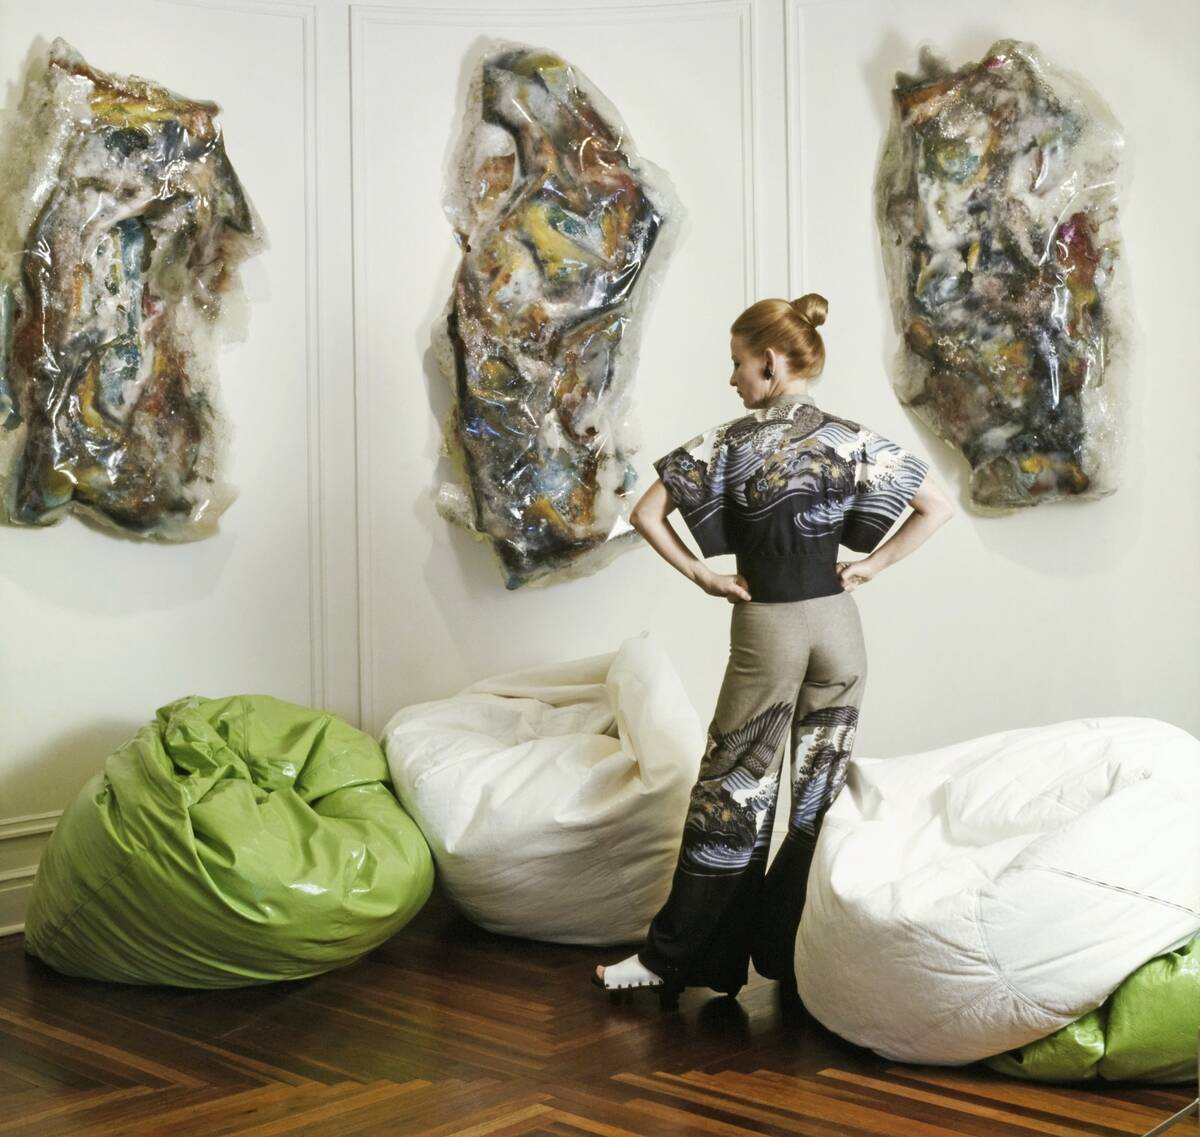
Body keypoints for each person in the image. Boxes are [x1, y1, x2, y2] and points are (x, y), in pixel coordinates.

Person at [593, 293, 954, 1010]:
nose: (732, 379)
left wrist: (704, 573)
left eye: (737, 363)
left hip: (771, 629)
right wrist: (871, 566)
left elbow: (644, 513)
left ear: (769, 360)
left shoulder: (732, 439)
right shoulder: (851, 437)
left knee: (731, 796)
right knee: (815, 801)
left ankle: (678, 960)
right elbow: (935, 505)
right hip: (840, 630)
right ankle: (796, 959)